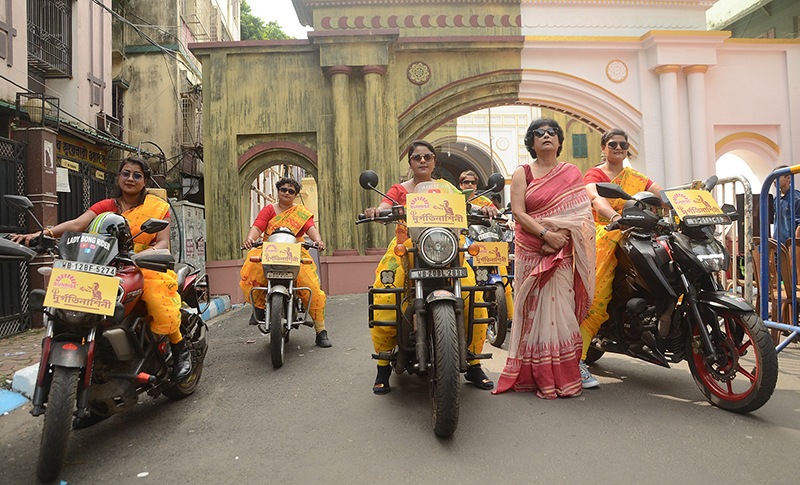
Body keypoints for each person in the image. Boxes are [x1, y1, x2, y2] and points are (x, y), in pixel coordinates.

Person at [11, 156, 192, 383]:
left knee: (158, 298)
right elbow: (77, 224)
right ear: (119, 177)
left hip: (145, 264)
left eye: (137, 175)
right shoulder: (107, 206)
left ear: (145, 181)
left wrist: (144, 254)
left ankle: (179, 348)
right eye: (126, 173)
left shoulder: (157, 208)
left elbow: (163, 242)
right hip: (107, 264)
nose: (130, 179)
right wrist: (42, 234)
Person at [364, 141, 497, 394]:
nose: (422, 161)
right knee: (387, 294)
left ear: (434, 161)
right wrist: (376, 211)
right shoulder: (399, 189)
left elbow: (466, 205)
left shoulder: (446, 188)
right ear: (410, 163)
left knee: (473, 294)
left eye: (427, 156)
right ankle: (383, 366)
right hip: (408, 247)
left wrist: (487, 210)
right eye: (417, 157)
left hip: (447, 246)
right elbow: (384, 207)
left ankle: (474, 364)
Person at [492, 118, 595, 399]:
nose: (546, 135)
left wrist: (559, 237)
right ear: (531, 142)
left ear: (560, 141)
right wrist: (546, 235)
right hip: (531, 249)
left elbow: (580, 213)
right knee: (532, 310)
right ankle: (532, 374)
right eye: (539, 133)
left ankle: (564, 374)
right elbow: (518, 212)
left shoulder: (571, 172)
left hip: (561, 250)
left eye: (552, 132)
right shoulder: (522, 172)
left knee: (561, 310)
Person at [580, 128, 663, 388]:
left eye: (623, 145)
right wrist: (616, 217)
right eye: (613, 144)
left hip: (638, 232)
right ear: (603, 148)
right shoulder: (595, 174)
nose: (618, 148)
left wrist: (688, 203)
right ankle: (576, 361)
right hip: (605, 232)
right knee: (596, 296)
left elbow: (661, 195)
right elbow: (596, 198)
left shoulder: (636, 177)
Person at [239, 177, 331, 347]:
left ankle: (321, 331)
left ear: (295, 195)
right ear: (278, 191)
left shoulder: (300, 212)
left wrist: (318, 240)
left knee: (311, 287)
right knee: (253, 269)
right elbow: (258, 226)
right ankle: (259, 308)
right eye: (283, 189)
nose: (286, 193)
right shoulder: (268, 210)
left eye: (291, 191)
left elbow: (311, 228)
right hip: (269, 249)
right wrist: (250, 239)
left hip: (295, 251)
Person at [459, 170, 514, 330]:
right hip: (464, 242)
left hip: (485, 243)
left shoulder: (484, 200)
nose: (470, 185)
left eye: (473, 182)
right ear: (460, 184)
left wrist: (507, 221)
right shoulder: (456, 199)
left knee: (503, 275)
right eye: (466, 182)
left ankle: (511, 318)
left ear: (477, 185)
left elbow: (497, 214)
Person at [772, 165, 800, 245]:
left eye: (778, 177)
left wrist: (795, 246)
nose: (774, 181)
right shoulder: (776, 198)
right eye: (773, 178)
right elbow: (777, 221)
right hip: (778, 243)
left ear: (788, 178)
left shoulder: (796, 198)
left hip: (790, 244)